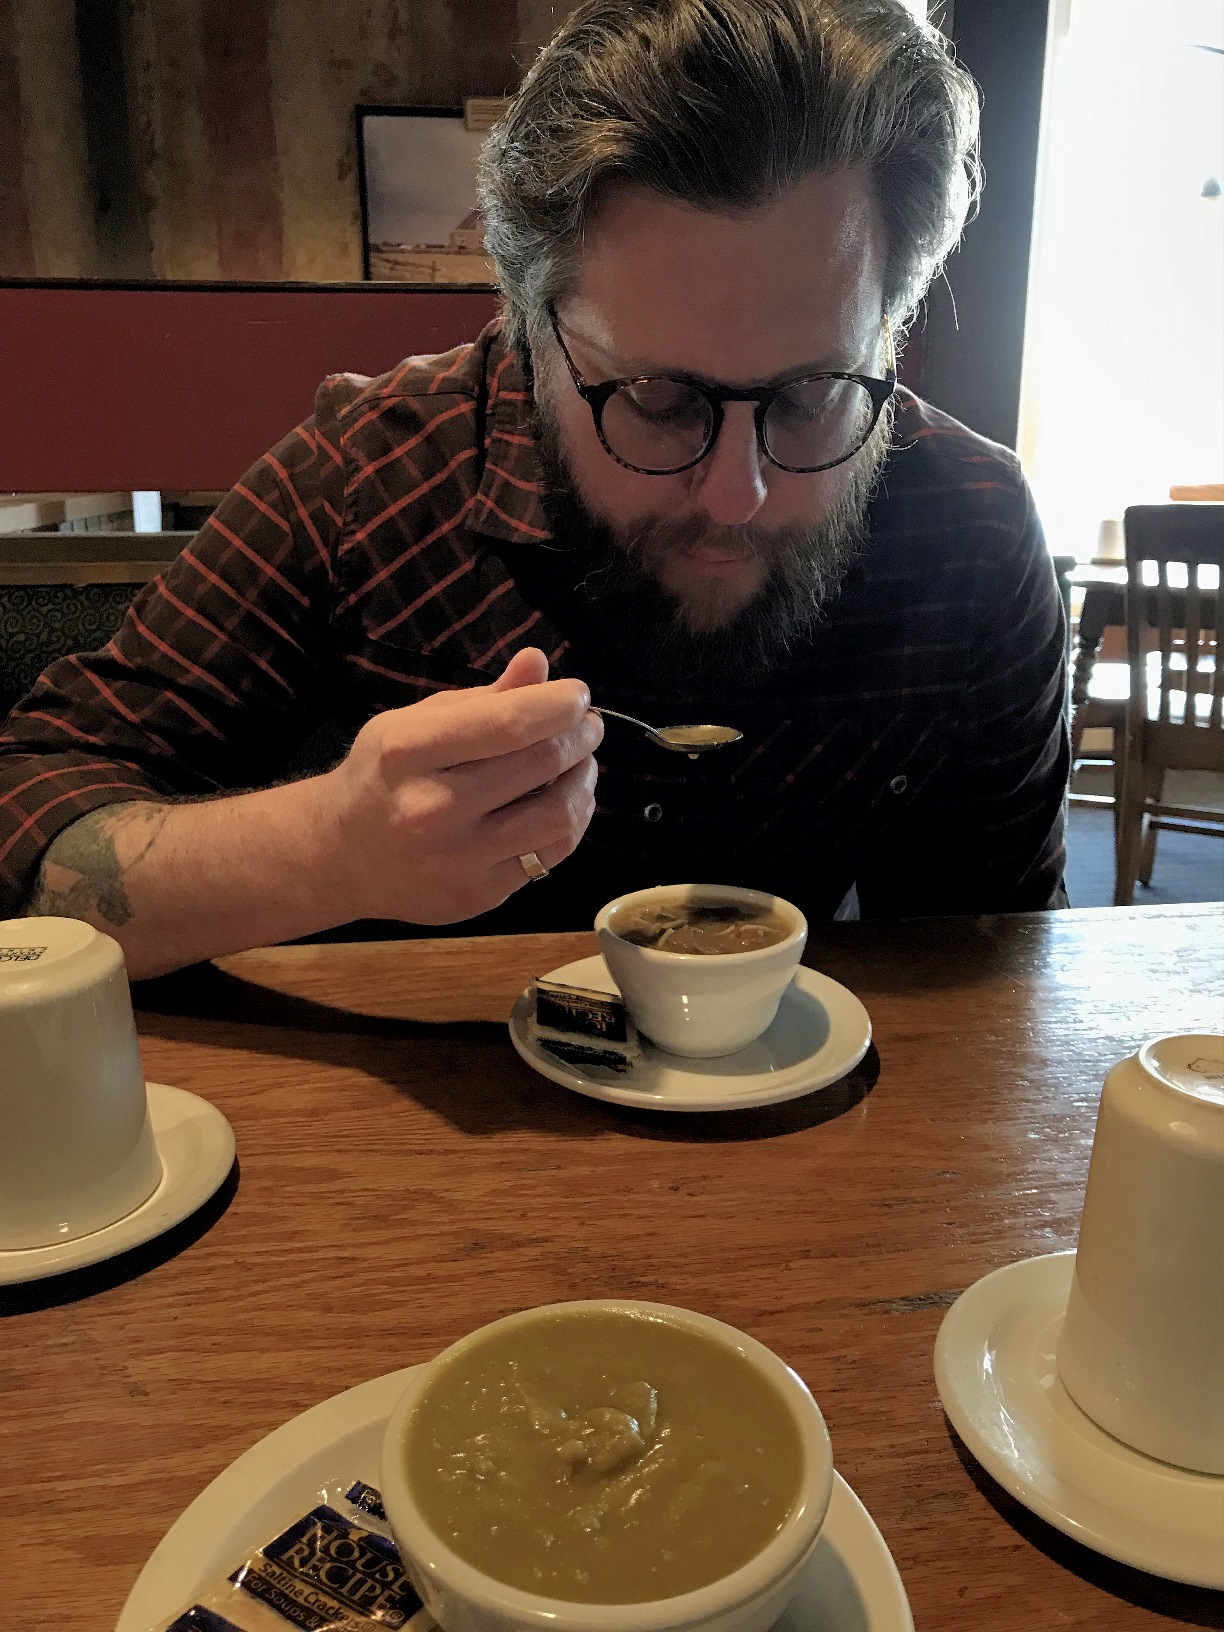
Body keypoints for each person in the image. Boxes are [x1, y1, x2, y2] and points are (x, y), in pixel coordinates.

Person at [0, 0, 1068, 980]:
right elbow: (26, 812)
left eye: (812, 395)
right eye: (656, 398)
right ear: (527, 331)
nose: (736, 495)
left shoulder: (968, 533)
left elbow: (992, 961)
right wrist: (327, 850)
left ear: (889, 331)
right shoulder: (372, 478)